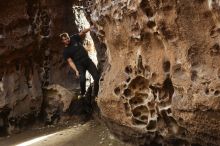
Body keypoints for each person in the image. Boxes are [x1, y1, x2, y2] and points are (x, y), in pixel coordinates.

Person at [60, 27, 99, 98]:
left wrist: (90, 28)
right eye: (65, 39)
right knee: (82, 79)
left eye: (67, 38)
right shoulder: (65, 51)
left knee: (96, 77)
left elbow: (82, 32)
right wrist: (76, 71)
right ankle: (83, 93)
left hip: (87, 60)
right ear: (62, 41)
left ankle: (96, 94)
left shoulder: (73, 38)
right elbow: (70, 62)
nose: (67, 40)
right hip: (79, 64)